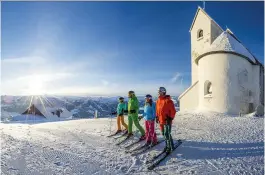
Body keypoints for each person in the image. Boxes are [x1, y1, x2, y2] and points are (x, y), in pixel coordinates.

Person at [156, 87, 176, 153]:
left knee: (167, 134)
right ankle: (169, 145)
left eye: (159, 92)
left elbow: (173, 111)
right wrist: (157, 116)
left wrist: (170, 118)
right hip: (161, 120)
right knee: (164, 134)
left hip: (167, 121)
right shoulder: (158, 100)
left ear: (163, 92)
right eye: (158, 92)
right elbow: (157, 110)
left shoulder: (168, 101)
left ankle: (169, 147)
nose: (158, 93)